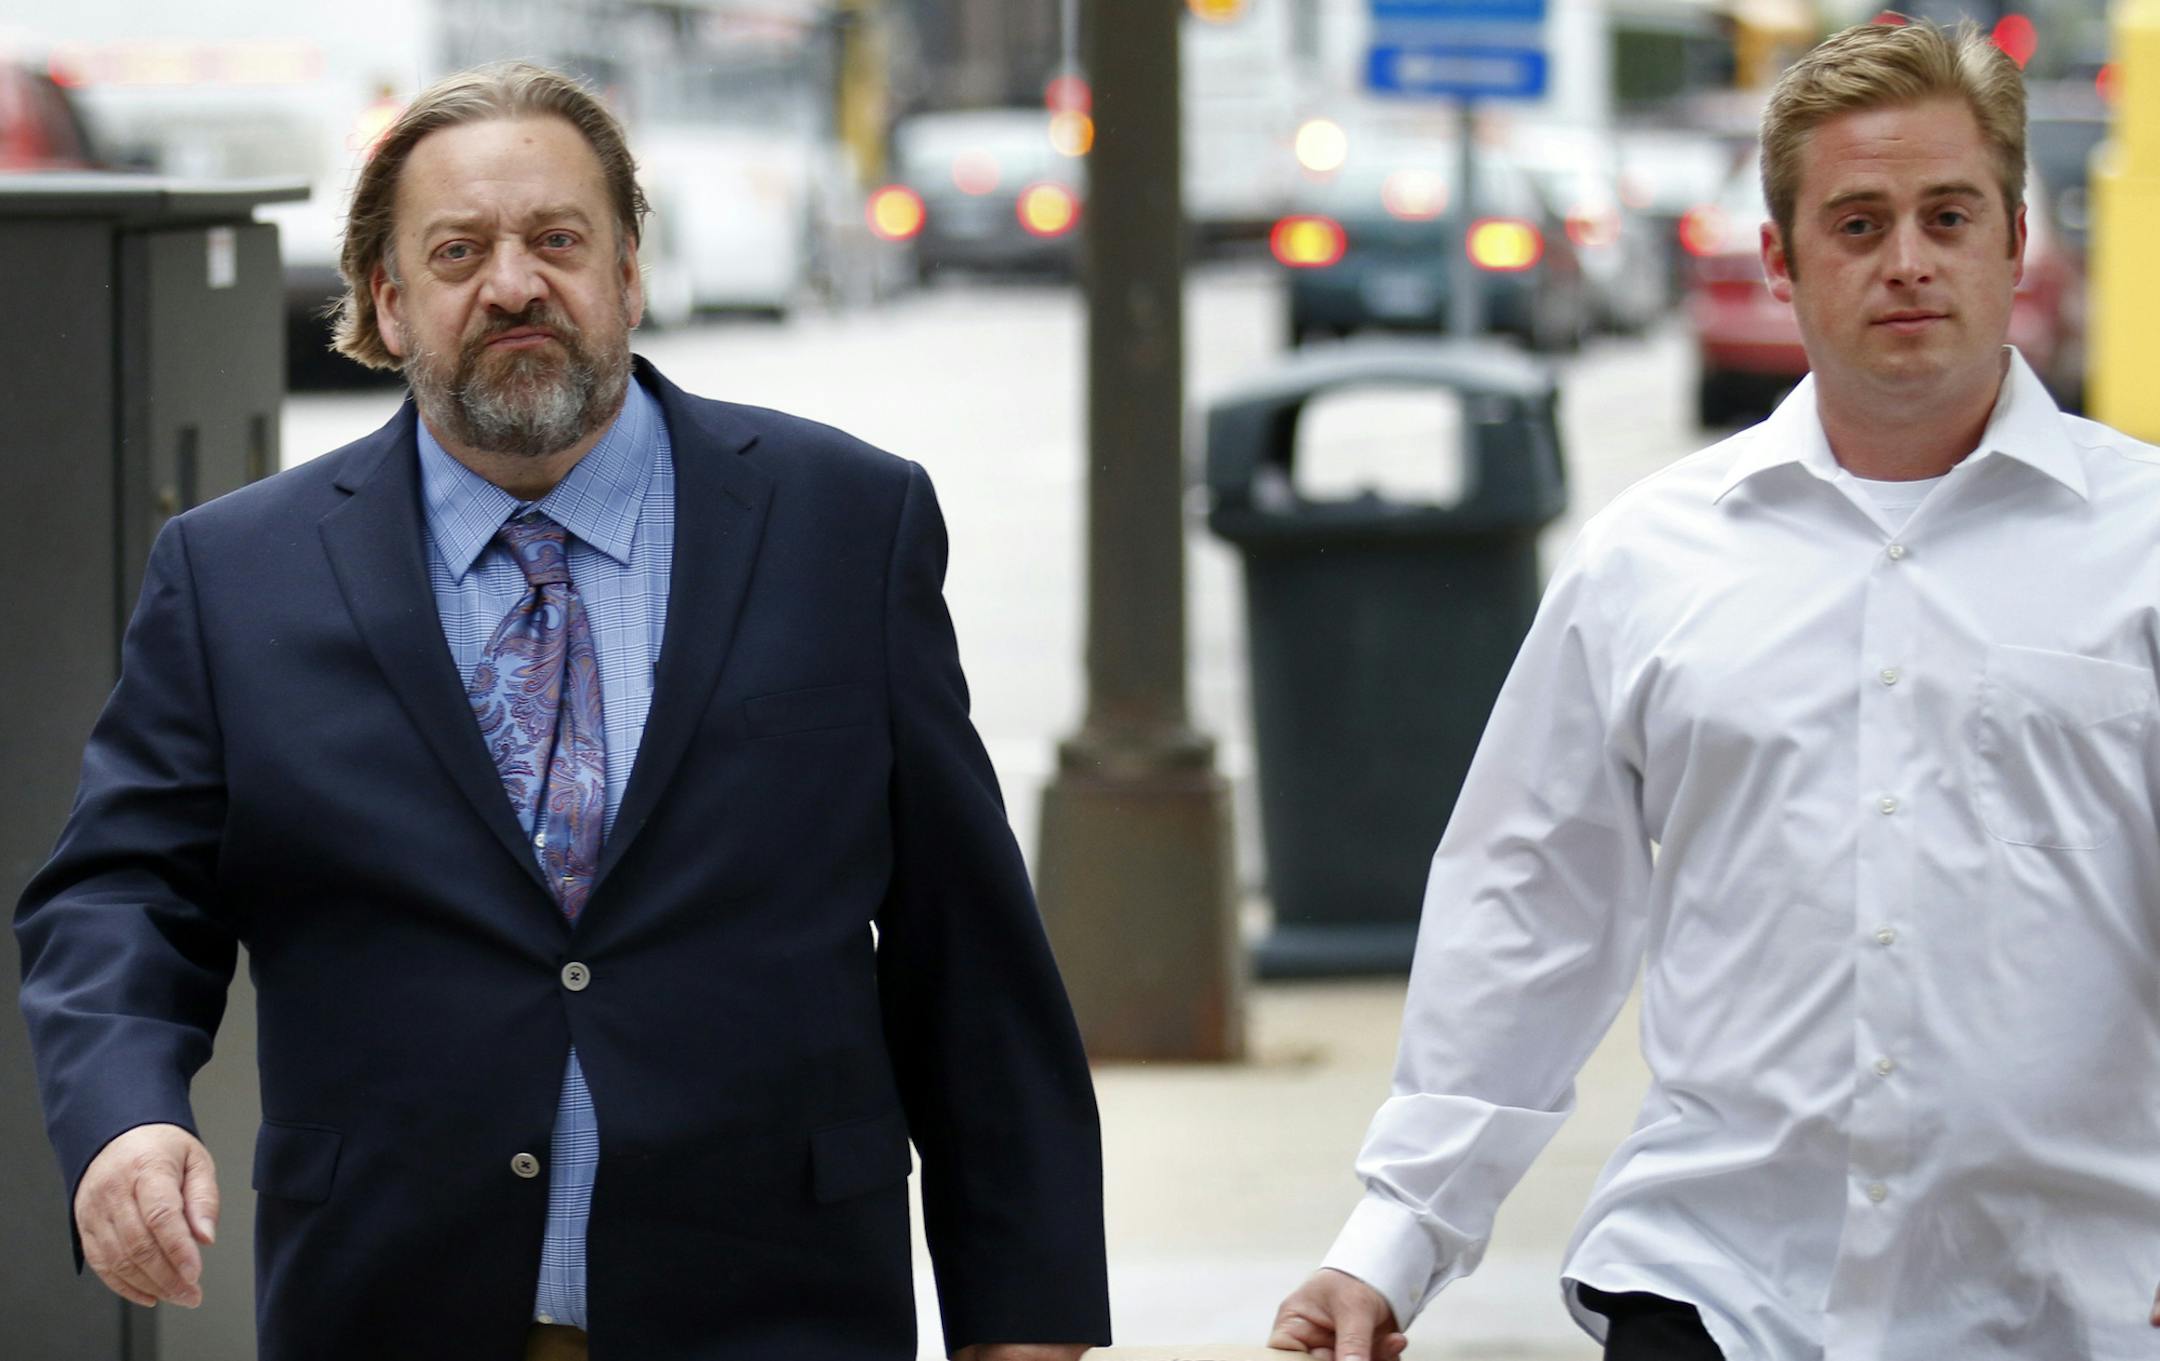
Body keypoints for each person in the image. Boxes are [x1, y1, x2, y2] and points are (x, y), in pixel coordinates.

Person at [15, 62, 1108, 1361]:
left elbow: (965, 942)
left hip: (777, 1305)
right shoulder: (236, 572)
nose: (515, 283)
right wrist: (126, 1113)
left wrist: (1024, 1307)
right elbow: (121, 893)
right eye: (459, 250)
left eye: (558, 240)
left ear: (630, 273)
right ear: (388, 299)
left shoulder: (843, 524)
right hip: (391, 1299)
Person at [1270, 18, 2160, 1361]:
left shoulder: (2142, 552)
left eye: (1947, 215)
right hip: (1716, 1292)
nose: (1907, 259)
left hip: (2062, 1306)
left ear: (2014, 240)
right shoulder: (1649, 561)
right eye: (1857, 223)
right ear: (1782, 260)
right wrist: (1396, 1234)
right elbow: (1529, 906)